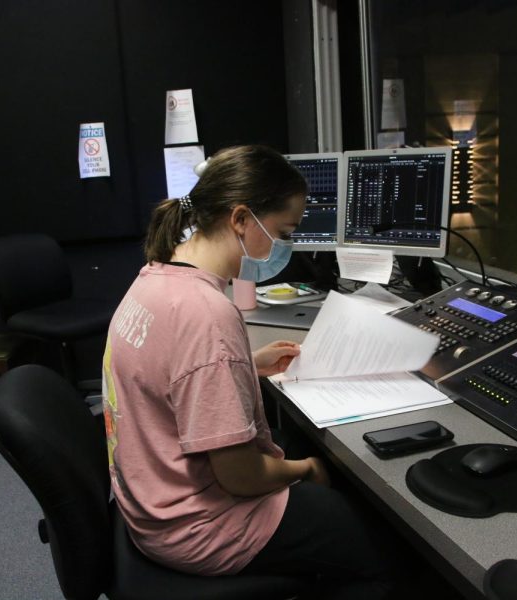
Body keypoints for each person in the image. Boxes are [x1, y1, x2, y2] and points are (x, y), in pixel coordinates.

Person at [102, 145, 399, 599]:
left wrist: (243, 366)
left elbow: (165, 373)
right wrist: (305, 469)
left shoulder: (154, 277)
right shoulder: (206, 313)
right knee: (383, 552)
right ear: (241, 219)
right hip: (198, 527)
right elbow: (238, 476)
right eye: (284, 231)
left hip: (150, 504)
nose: (287, 246)